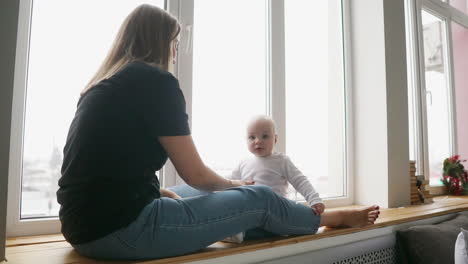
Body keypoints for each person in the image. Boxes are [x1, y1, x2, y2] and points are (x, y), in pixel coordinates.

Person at [56, 4, 380, 261]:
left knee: (200, 194)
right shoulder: (155, 81)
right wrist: (235, 186)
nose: (174, 52)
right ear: (161, 42)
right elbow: (197, 174)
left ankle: (245, 224)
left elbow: (113, 176)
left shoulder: (103, 87)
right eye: (174, 44)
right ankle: (330, 218)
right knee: (261, 197)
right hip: (123, 232)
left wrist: (209, 193)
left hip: (83, 227)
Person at [223, 115, 325, 243]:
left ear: (275, 139)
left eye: (264, 136)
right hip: (252, 213)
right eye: (252, 137)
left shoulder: (281, 161)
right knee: (248, 218)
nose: (258, 141)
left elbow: (300, 181)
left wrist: (314, 199)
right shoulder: (243, 162)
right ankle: (235, 231)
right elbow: (229, 183)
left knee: (268, 229)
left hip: (276, 213)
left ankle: (239, 233)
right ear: (245, 140)